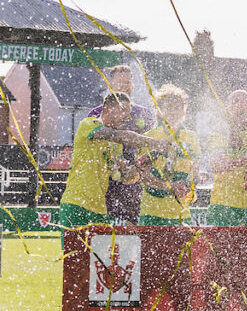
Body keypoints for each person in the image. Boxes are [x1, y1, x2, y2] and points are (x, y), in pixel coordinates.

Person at [59, 93, 170, 228]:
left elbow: (125, 178)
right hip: (76, 204)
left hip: (99, 210)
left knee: (102, 243)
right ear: (107, 109)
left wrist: (140, 166)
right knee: (74, 243)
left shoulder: (116, 146)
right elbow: (120, 136)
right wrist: (155, 143)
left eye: (128, 113)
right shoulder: (88, 124)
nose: (127, 117)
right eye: (123, 111)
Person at [87, 64, 156, 225]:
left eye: (127, 82)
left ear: (132, 85)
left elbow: (149, 149)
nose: (124, 86)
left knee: (132, 226)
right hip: (105, 177)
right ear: (110, 84)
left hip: (133, 178)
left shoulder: (143, 113)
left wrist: (140, 169)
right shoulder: (97, 113)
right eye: (120, 82)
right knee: (103, 225)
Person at [137, 85, 200, 226]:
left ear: (184, 112)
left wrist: (188, 185)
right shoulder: (149, 137)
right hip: (152, 212)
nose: (173, 112)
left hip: (182, 213)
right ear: (159, 111)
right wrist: (170, 187)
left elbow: (194, 172)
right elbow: (144, 176)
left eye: (177, 108)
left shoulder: (191, 137)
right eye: (169, 107)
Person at [207, 90, 247, 227]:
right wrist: (242, 159)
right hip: (223, 205)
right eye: (235, 102)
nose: (240, 106)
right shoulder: (220, 133)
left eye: (245, 102)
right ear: (228, 108)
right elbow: (216, 165)